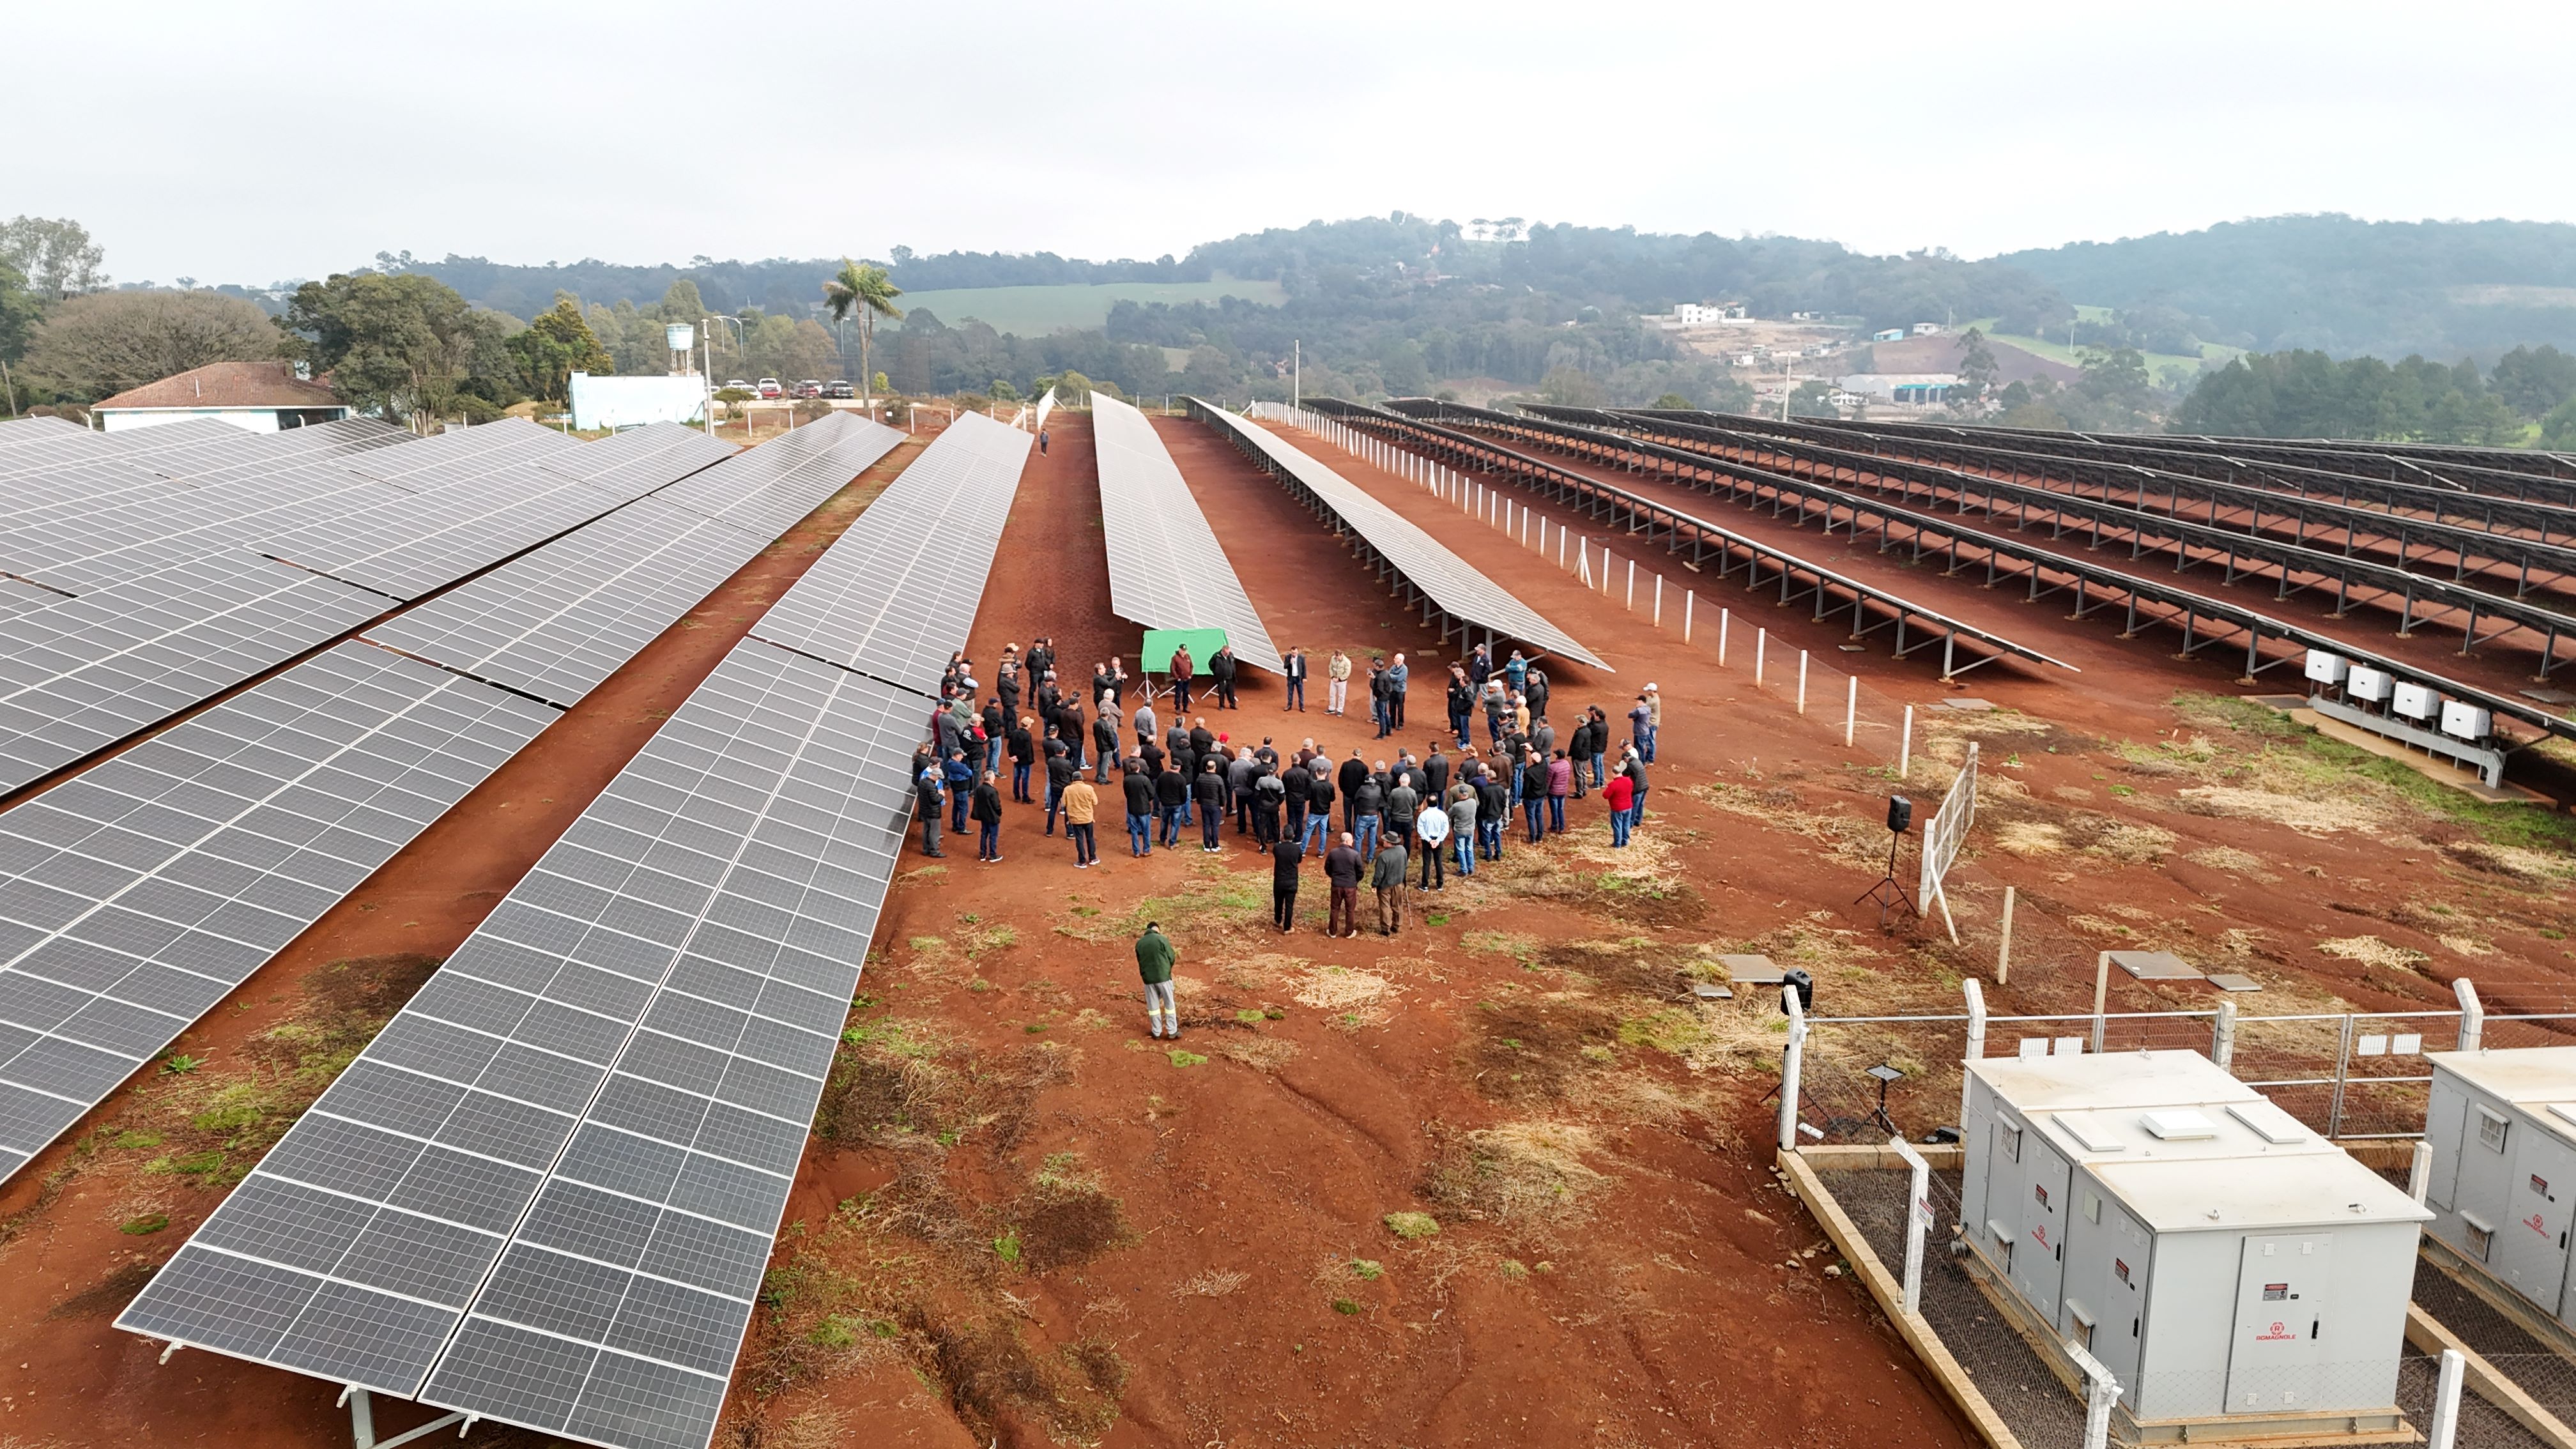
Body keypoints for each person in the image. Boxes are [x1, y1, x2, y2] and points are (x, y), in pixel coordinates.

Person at [1137, 921, 1177, 1039]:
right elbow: (1171, 957)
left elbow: (1140, 961)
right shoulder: (1161, 939)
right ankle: (1172, 1031)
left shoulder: (1140, 943)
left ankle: (1156, 1032)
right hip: (1163, 977)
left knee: (1153, 1007)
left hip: (1148, 980)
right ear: (1157, 929)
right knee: (1169, 1004)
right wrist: (1167, 970)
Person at [1324, 832, 1363, 938]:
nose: (1352, 842)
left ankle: (1332, 932)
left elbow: (1327, 868)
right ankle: (1349, 932)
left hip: (1336, 885)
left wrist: (1334, 877)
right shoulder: (1355, 854)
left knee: (1335, 908)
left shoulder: (1333, 853)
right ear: (1347, 841)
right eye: (1351, 840)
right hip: (1350, 887)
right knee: (1350, 910)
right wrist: (1355, 881)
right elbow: (1360, 871)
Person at [1371, 834, 1409, 936]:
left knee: (1385, 907)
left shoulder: (1383, 856)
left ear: (1389, 843)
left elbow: (1379, 874)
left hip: (1385, 886)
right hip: (1398, 883)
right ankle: (1397, 925)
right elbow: (1406, 866)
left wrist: (1374, 885)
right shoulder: (1402, 850)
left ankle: (1385, 929)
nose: (1383, 842)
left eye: (1385, 841)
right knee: (1398, 905)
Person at [1446, 775, 1478, 878]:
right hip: (1471, 829)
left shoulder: (1457, 806)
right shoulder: (1473, 802)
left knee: (1461, 849)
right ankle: (1471, 868)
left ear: (1460, 795)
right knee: (1469, 848)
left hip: (1460, 830)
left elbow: (1449, 814)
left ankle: (1464, 870)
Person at [1063, 774, 1099, 867]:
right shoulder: (1089, 788)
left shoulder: (1067, 789)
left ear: (1073, 780)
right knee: (1090, 838)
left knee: (1079, 839)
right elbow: (1095, 802)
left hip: (1076, 819)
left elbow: (1063, 803)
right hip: (1088, 818)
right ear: (1082, 779)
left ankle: (1082, 861)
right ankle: (1093, 858)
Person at [1414, 794, 1448, 891]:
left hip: (1427, 841)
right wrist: (1438, 840)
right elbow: (1445, 829)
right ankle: (1440, 885)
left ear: (1427, 803)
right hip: (1438, 841)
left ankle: (1425, 885)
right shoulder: (1442, 815)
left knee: (1426, 863)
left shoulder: (1423, 815)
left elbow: (1420, 829)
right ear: (1437, 803)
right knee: (1438, 862)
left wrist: (1429, 840)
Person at [1192, 757, 1227, 852]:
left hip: (1204, 804)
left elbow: (1197, 791)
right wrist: (1222, 804)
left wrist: (1200, 801)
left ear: (1206, 767)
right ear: (1215, 768)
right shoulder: (1218, 779)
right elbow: (1222, 794)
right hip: (1215, 805)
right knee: (1215, 826)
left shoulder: (1200, 778)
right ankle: (1215, 845)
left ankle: (1207, 845)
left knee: (1206, 825)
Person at [1270, 831, 1303, 931]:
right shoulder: (1297, 848)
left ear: (1283, 836)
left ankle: (1278, 920)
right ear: (1293, 836)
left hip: (1279, 880)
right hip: (1292, 881)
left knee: (1278, 902)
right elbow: (1299, 860)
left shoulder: (1277, 848)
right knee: (1289, 906)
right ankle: (1287, 928)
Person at [915, 756, 947, 857]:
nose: (938, 779)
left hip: (925, 811)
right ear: (935, 776)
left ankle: (926, 849)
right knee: (934, 832)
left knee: (926, 831)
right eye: (938, 777)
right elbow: (935, 800)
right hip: (933, 812)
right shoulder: (931, 786)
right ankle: (934, 851)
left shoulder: (923, 782)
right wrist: (941, 795)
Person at [1122, 762, 1155, 857]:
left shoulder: (1127, 780)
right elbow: (1152, 793)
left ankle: (1136, 852)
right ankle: (1146, 850)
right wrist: (1146, 800)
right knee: (1146, 830)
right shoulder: (1144, 779)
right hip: (1144, 809)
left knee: (1134, 830)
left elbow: (1127, 793)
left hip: (1132, 808)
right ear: (1138, 768)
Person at [1301, 761, 1334, 855]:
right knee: (1323, 832)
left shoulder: (1313, 785)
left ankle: (1303, 851)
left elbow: (1307, 797)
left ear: (1316, 774)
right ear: (1326, 774)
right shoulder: (1330, 786)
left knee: (1308, 831)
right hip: (1325, 812)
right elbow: (1332, 799)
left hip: (1314, 812)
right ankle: (1321, 852)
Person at [972, 770, 1005, 862]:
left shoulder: (979, 789)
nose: (994, 779)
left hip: (983, 817)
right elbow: (997, 806)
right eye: (993, 777)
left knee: (984, 835)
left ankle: (982, 854)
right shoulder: (992, 791)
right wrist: (999, 813)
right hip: (992, 816)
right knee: (993, 836)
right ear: (990, 778)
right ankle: (993, 855)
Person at [1352, 767, 1384, 862]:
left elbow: (1356, 799)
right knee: (1372, 838)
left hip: (1363, 816)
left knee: (1358, 838)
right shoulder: (1378, 788)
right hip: (1374, 816)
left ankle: (1357, 859)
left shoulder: (1362, 788)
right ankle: (1370, 858)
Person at [1155, 762, 1188, 847]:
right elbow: (1184, 794)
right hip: (1177, 805)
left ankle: (1162, 840)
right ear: (1179, 768)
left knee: (1164, 821)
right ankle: (1172, 843)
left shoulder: (1162, 776)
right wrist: (1182, 802)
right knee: (1175, 823)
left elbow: (1158, 789)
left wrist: (1162, 799)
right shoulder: (1181, 779)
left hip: (1165, 803)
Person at [1336, 748, 1368, 834]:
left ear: (1353, 754)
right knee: (1357, 814)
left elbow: (1340, 779)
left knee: (1347, 814)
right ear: (1361, 755)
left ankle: (1348, 831)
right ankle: (1356, 831)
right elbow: (1366, 783)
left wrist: (1343, 789)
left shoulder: (1345, 765)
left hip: (1347, 794)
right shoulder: (1364, 767)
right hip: (1359, 795)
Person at [1602, 767, 1635, 849]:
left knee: (1617, 826)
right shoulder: (1628, 780)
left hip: (1618, 808)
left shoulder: (1613, 785)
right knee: (1626, 824)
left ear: (1613, 773)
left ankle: (1617, 844)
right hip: (1628, 806)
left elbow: (1605, 796)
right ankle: (1625, 841)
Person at [1521, 751, 1549, 844]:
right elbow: (1543, 758)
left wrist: (1523, 797)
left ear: (1532, 760)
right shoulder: (1544, 766)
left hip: (1531, 798)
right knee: (1539, 816)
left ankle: (1532, 838)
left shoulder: (1529, 772)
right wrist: (1532, 750)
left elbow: (1526, 788)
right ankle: (1540, 837)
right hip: (1541, 796)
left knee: (1531, 818)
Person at [944, 750, 975, 835]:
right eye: (961, 755)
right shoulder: (958, 765)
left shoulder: (950, 762)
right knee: (963, 809)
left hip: (956, 789)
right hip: (961, 790)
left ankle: (955, 825)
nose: (962, 757)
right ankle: (961, 828)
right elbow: (970, 773)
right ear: (957, 755)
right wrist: (965, 770)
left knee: (956, 807)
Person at [1007, 715, 1036, 803]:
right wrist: (1018, 757)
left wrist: (1013, 756)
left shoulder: (1014, 732)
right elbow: (1027, 750)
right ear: (1028, 725)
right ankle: (1025, 797)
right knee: (1025, 779)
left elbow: (1009, 746)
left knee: (1016, 778)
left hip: (1016, 760)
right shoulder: (1027, 735)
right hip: (1025, 760)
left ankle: (1017, 796)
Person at [1446, 668, 1475, 749]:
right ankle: (1462, 738)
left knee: (1464, 727)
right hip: (1460, 712)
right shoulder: (1463, 689)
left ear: (1463, 682)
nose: (1459, 681)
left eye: (1461, 680)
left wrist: (1463, 709)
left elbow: (1471, 702)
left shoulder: (1467, 691)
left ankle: (1466, 742)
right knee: (1461, 726)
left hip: (1464, 713)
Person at [1547, 749, 1574, 834]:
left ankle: (1554, 826)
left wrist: (1546, 790)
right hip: (1563, 791)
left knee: (1554, 810)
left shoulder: (1553, 767)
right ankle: (1561, 827)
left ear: (1557, 756)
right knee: (1560, 809)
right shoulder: (1567, 764)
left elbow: (1548, 781)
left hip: (1554, 792)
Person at [1384, 652, 1409, 730]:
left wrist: (1391, 676)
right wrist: (1392, 677)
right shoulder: (1393, 667)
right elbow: (1389, 676)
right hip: (1393, 690)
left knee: (1400, 708)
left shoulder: (1404, 669)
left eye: (1396, 658)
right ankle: (1392, 723)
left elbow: (1398, 678)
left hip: (1400, 691)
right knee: (1392, 707)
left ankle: (1400, 724)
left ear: (1400, 660)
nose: (1394, 659)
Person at [1209, 643, 1238, 709]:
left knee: (1231, 692)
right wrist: (1216, 672)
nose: (1228, 654)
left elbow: (1233, 664)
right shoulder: (1217, 656)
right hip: (1222, 679)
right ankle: (1222, 706)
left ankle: (1232, 705)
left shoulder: (1231, 655)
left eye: (1228, 652)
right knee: (1221, 692)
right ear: (1223, 651)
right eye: (1226, 653)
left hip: (1230, 678)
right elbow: (1211, 664)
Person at [1629, 693, 1653, 764]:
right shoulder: (1648, 709)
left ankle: (1640, 764)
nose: (1637, 702)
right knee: (1642, 749)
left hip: (1639, 732)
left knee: (1639, 750)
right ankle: (1642, 763)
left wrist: (1637, 708)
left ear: (1641, 701)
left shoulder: (1639, 710)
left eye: (1638, 701)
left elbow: (1630, 715)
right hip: (1646, 731)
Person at [1326, 648, 1352, 716]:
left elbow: (1347, 673)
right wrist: (1332, 677)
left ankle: (1340, 710)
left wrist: (1340, 679)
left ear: (1342, 655)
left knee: (1341, 696)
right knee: (1332, 694)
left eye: (1338, 657)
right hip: (1334, 680)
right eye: (1336, 657)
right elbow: (1330, 668)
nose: (1337, 659)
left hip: (1342, 682)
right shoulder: (1333, 658)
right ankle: (1331, 709)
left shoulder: (1347, 662)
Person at [1282, 645, 1308, 712]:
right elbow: (1285, 666)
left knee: (1300, 693)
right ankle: (1289, 706)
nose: (1294, 654)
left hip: (1299, 678)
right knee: (1290, 693)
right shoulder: (1288, 657)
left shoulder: (1301, 658)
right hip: (1291, 678)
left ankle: (1302, 707)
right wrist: (1289, 663)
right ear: (1291, 652)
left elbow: (1304, 668)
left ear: (1298, 652)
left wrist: (1304, 677)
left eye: (1295, 653)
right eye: (1293, 653)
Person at [1170, 642, 1195, 710]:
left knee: (1186, 693)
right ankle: (1177, 707)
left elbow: (1191, 666)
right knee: (1178, 693)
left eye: (1185, 650)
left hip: (1187, 679)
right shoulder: (1175, 658)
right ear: (1179, 650)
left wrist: (1190, 675)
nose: (1184, 652)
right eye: (1182, 650)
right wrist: (1177, 677)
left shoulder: (1188, 656)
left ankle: (1185, 707)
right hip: (1179, 679)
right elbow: (1173, 668)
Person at [1642, 682, 1662, 763]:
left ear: (1651, 691)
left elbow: (1644, 708)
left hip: (1652, 723)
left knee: (1650, 741)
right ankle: (1648, 757)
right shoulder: (1653, 697)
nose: (1647, 692)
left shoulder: (1654, 701)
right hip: (1651, 722)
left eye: (1648, 690)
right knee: (1649, 740)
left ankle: (1650, 759)